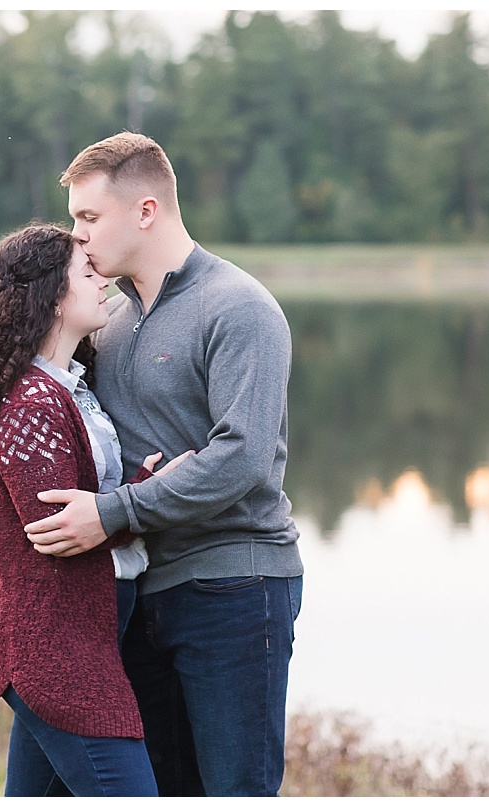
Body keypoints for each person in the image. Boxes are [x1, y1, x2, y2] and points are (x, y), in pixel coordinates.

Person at [20, 131, 304, 797]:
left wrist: (113, 512)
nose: (78, 237)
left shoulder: (239, 307)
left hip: (236, 586)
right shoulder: (107, 324)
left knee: (235, 789)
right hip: (142, 593)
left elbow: (240, 458)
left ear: (145, 211)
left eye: (89, 218)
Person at [0, 222, 190, 797]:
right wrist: (150, 498)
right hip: (52, 647)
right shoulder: (29, 405)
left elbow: (86, 506)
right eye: (87, 274)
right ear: (48, 296)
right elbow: (57, 531)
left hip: (76, 636)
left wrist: (137, 489)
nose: (105, 284)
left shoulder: (68, 387)